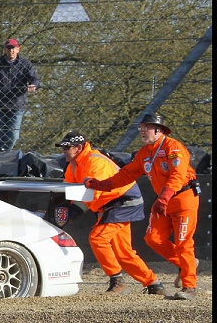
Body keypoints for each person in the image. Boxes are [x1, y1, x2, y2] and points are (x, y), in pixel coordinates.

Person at [84, 113, 200, 300]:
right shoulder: (144, 153)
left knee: (183, 242)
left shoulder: (173, 148)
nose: (142, 131)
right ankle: (186, 264)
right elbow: (126, 175)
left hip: (183, 198)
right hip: (163, 199)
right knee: (153, 238)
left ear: (158, 130)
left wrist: (164, 197)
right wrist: (101, 185)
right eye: (141, 128)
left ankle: (189, 286)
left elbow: (177, 175)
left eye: (146, 128)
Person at [54, 131, 165, 295]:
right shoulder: (73, 165)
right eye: (62, 147)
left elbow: (93, 192)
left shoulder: (94, 161)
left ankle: (117, 280)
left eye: (66, 147)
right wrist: (67, 208)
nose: (63, 151)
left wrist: (73, 212)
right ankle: (154, 284)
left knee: (98, 238)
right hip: (112, 204)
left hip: (122, 201)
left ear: (78, 147)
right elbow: (71, 192)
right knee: (124, 252)